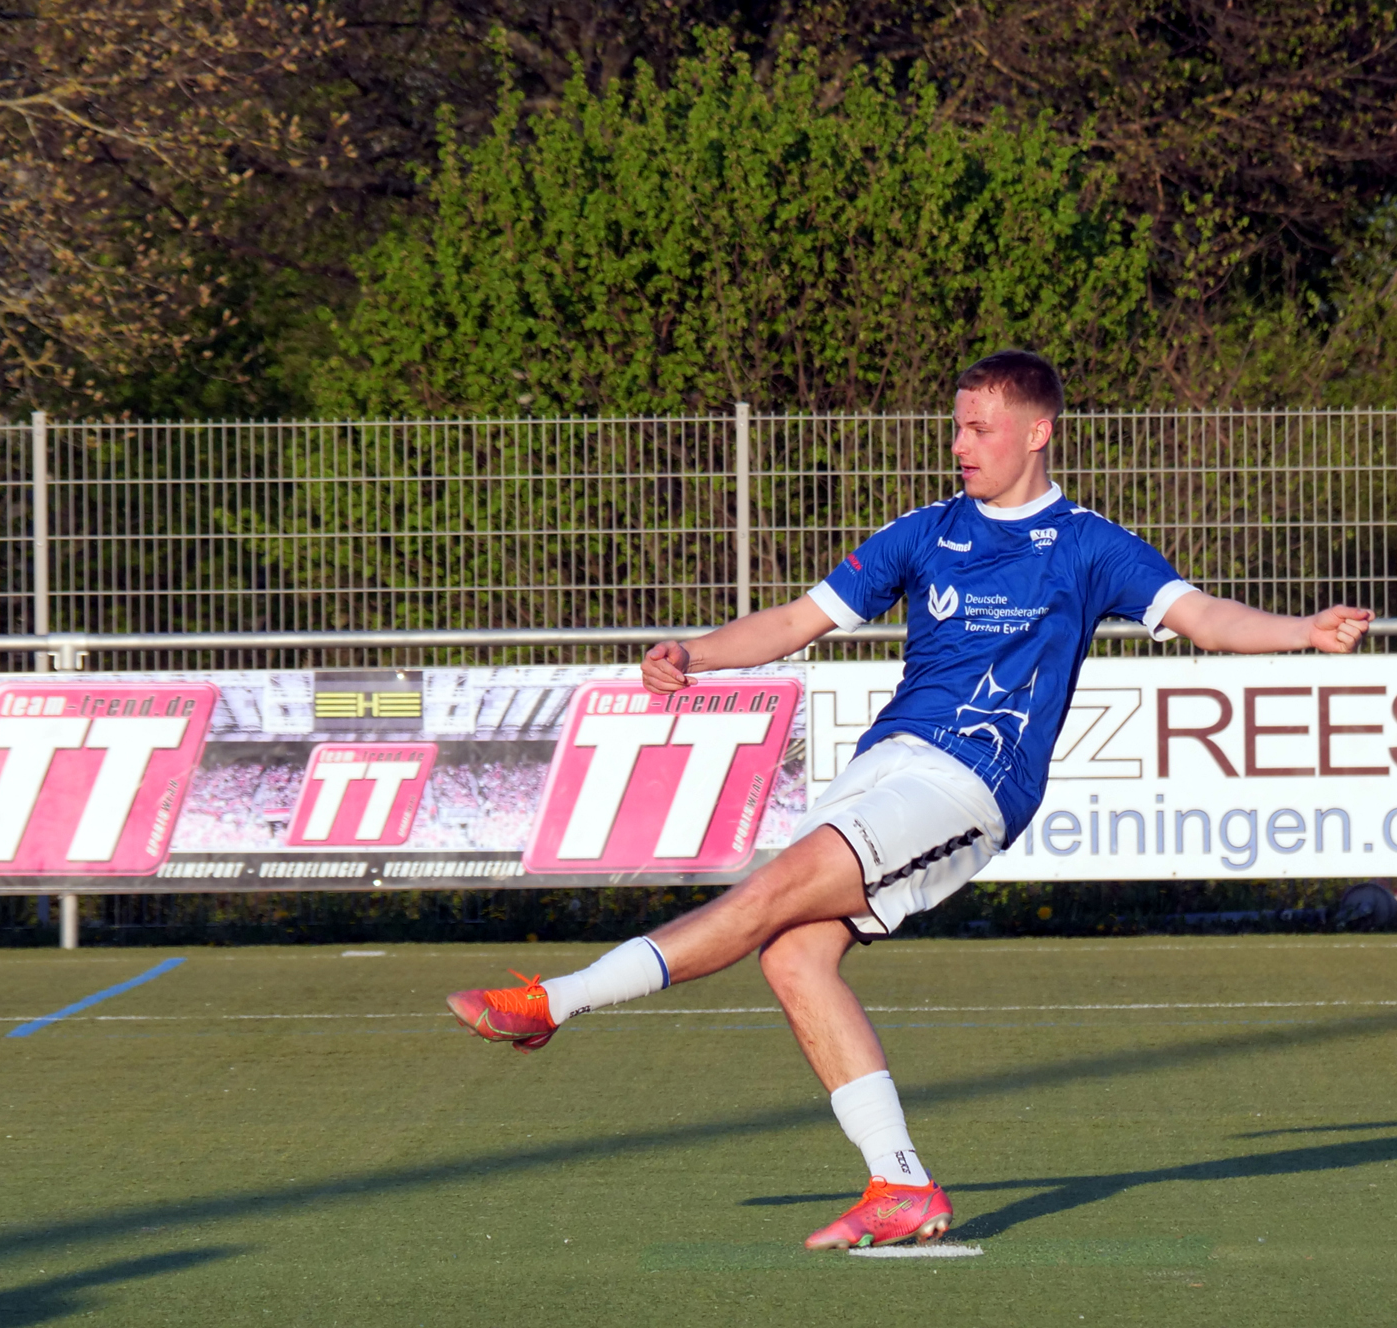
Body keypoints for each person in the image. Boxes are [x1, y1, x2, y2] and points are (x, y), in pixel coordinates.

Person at [446, 350, 1373, 1249]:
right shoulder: (926, 531)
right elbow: (795, 621)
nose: (960, 445)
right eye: (956, 427)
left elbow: (1203, 615)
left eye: (980, 428)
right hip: (884, 766)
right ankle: (899, 1184)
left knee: (770, 893)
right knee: (794, 959)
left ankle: (554, 1001)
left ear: (1037, 432)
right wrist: (695, 653)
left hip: (972, 780)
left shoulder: (1088, 544)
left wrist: (1300, 629)